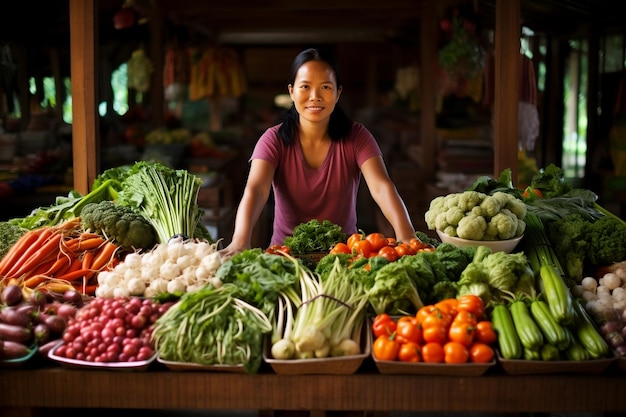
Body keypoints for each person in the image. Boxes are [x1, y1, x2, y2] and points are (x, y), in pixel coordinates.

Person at [220, 48, 416, 257]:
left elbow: (380, 187)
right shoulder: (273, 139)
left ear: (337, 92)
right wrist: (239, 241)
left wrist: (408, 237)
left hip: (345, 255)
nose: (315, 97)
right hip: (285, 255)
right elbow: (256, 190)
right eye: (305, 86)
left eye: (325, 87)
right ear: (291, 91)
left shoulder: (357, 136)